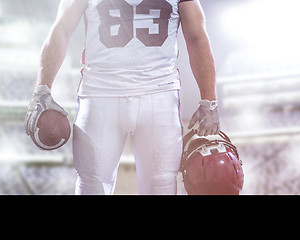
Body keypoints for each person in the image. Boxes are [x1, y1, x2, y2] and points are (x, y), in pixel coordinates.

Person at [24, 0, 220, 195]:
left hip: (108, 96)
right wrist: (209, 101)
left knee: (97, 185)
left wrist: (43, 89)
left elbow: (61, 30)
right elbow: (196, 37)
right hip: (148, 97)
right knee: (155, 186)